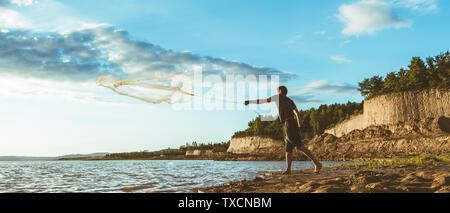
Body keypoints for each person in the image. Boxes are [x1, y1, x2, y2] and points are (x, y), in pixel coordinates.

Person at [244, 86, 322, 175]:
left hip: (289, 124)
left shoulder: (278, 97)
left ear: (280, 91)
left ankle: (317, 163)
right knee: (288, 149)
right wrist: (299, 126)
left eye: (277, 91)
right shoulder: (290, 100)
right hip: (290, 123)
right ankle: (288, 169)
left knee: (299, 146)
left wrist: (249, 101)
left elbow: (264, 101)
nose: (276, 92)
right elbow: (297, 113)